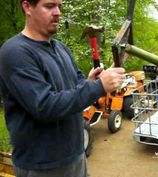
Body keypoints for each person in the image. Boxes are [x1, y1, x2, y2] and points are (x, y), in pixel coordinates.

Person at [0, 0, 126, 176]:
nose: (58, 12)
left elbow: (76, 87)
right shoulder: (15, 52)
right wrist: (98, 87)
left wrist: (92, 82)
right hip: (42, 165)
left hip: (75, 155)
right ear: (27, 7)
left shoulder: (61, 48)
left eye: (59, 6)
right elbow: (45, 106)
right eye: (49, 6)